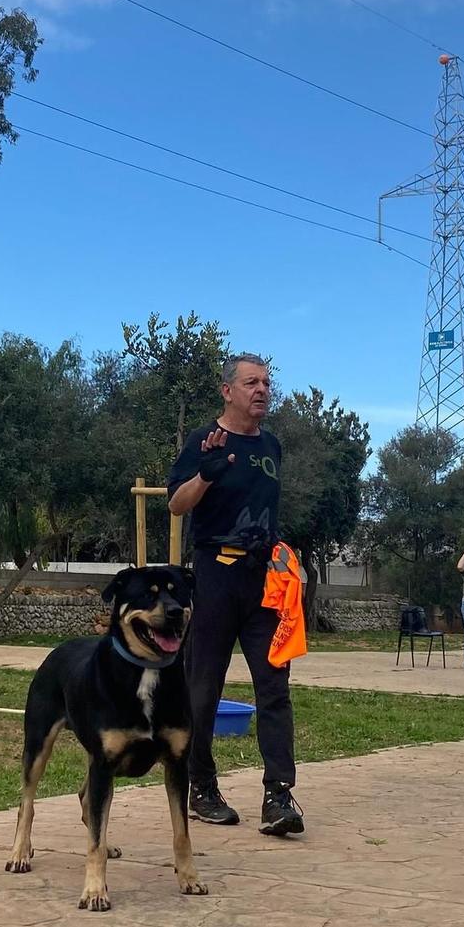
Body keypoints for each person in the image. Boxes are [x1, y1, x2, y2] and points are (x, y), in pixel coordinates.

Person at [168, 352, 303, 837]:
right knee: (202, 687)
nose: (262, 390)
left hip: (263, 581)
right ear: (228, 391)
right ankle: (200, 788)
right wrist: (205, 473)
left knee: (274, 687)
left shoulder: (273, 446)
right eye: (251, 382)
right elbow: (177, 505)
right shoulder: (205, 441)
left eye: (267, 382)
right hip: (215, 574)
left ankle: (279, 795)